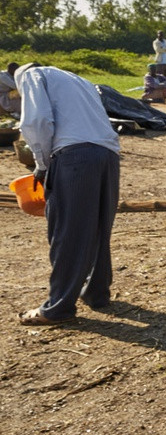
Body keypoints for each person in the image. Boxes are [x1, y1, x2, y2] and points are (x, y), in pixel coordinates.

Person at [14, 63, 121, 325]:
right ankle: (96, 294)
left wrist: (42, 163)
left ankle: (57, 308)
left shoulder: (30, 75)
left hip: (75, 157)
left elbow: (37, 120)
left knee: (68, 232)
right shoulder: (78, 79)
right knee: (97, 227)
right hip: (107, 155)